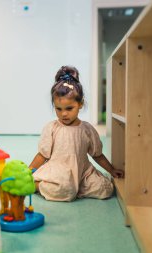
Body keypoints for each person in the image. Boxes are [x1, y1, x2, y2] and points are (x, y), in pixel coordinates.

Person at [29, 66, 124, 201]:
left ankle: (76, 186)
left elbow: (97, 154)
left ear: (80, 104)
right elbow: (42, 154)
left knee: (106, 188)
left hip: (82, 171)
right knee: (65, 189)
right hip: (59, 171)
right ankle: (37, 184)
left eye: (69, 108)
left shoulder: (86, 129)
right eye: (58, 109)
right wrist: (29, 171)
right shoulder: (52, 128)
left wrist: (112, 170)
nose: (64, 114)